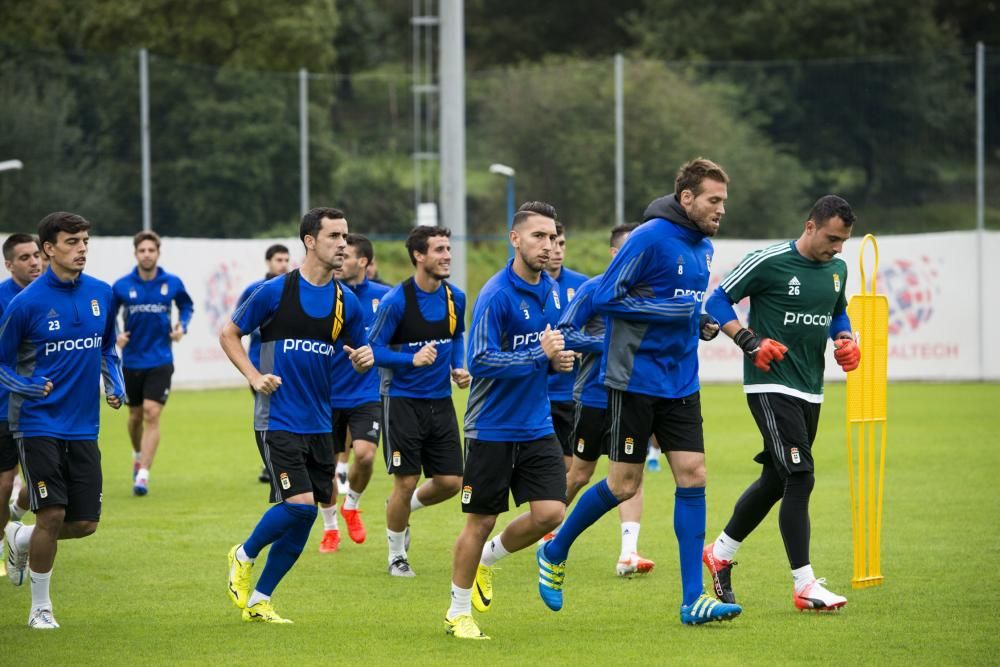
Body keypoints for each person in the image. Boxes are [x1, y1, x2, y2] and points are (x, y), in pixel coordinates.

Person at [536, 158, 743, 625]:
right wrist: (666, 310)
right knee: (622, 484)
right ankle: (555, 551)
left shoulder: (703, 247)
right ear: (686, 198)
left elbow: (682, 306)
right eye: (713, 201)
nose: (720, 210)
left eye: (723, 202)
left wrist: (698, 320)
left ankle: (692, 600)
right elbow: (606, 294)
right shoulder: (650, 237)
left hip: (681, 380)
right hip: (635, 380)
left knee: (694, 475)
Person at [702, 194, 858, 612]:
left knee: (776, 478)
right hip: (770, 385)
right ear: (810, 227)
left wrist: (845, 339)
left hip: (811, 388)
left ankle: (719, 553)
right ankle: (804, 585)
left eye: (843, 241)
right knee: (801, 476)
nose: (837, 248)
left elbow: (838, 313)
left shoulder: (837, 270)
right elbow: (716, 301)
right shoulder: (768, 261)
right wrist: (748, 341)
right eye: (831, 238)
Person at [221, 207, 374, 624]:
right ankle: (243, 552)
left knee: (303, 519)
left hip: (320, 423)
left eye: (346, 236)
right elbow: (229, 333)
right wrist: (254, 376)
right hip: (278, 418)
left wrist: (364, 357)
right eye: (334, 236)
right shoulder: (273, 292)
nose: (343, 244)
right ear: (310, 241)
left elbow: (361, 354)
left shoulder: (347, 302)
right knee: (303, 507)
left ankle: (259, 600)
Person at [444, 201, 574, 640]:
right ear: (515, 239)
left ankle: (488, 560)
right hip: (491, 427)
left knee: (551, 512)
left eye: (553, 237)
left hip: (536, 424)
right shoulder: (496, 294)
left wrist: (558, 361)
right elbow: (478, 360)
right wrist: (540, 353)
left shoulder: (553, 290)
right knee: (478, 522)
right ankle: (458, 612)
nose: (547, 245)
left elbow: (547, 351)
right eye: (537, 236)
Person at [1, 212, 125, 629]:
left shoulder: (102, 294)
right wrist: (30, 387)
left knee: (85, 523)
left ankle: (19, 537)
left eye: (86, 241)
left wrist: (115, 383)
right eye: (72, 242)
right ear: (49, 249)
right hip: (36, 423)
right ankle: (40, 607)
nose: (82, 249)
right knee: (51, 515)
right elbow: (2, 363)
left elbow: (108, 348)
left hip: (84, 425)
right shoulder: (26, 304)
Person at [554, 222, 656, 576]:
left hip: (633, 398)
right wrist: (605, 346)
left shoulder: (650, 293)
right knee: (580, 474)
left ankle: (629, 553)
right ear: (615, 253)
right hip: (595, 395)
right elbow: (565, 334)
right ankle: (547, 525)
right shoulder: (594, 289)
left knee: (633, 474)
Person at [369, 225, 468, 576]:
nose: (447, 256)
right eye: (439, 250)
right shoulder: (397, 301)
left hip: (440, 401)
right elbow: (373, 350)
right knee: (406, 480)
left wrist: (459, 366)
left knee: (452, 482)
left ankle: (399, 508)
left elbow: (457, 336)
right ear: (419, 256)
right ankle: (397, 555)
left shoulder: (456, 297)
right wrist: (410, 360)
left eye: (448, 249)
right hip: (401, 401)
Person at [319, 233, 390, 552]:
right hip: (325, 392)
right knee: (324, 466)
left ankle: (353, 504)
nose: (339, 260)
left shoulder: (385, 297)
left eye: (346, 255)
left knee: (365, 454)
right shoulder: (324, 295)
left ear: (362, 261)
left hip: (366, 392)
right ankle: (330, 528)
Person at [112, 231, 194, 496]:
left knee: (151, 413)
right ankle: (137, 454)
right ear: (135, 254)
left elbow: (186, 306)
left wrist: (182, 326)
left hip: (161, 360)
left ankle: (143, 475)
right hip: (132, 362)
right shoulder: (122, 285)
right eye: (142, 250)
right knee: (134, 417)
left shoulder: (172, 282)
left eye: (151, 250)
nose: (147, 254)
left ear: (158, 253)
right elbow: (107, 316)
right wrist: (116, 335)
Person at [236, 243, 290, 484]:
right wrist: (269, 329)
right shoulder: (255, 289)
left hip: (287, 364)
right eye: (279, 259)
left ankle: (278, 463)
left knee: (283, 413)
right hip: (259, 364)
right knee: (267, 413)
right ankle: (271, 465)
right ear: (268, 262)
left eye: (286, 259)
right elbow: (239, 321)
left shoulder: (293, 288)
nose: (283, 264)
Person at [0, 234, 43, 538]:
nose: (34, 262)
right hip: (4, 406)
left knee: (46, 479)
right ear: (9, 264)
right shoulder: (4, 299)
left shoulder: (53, 294)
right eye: (25, 258)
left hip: (45, 407)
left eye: (37, 255)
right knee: (4, 483)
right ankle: (2, 540)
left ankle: (14, 516)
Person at [545, 223, 588, 472]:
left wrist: (582, 345)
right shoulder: (530, 286)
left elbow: (592, 329)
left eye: (562, 244)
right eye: (553, 243)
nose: (558, 250)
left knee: (569, 468)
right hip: (538, 394)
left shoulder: (581, 284)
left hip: (571, 394)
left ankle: (550, 512)